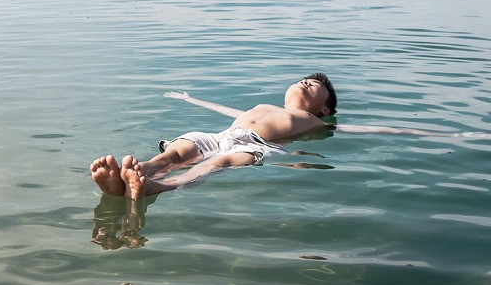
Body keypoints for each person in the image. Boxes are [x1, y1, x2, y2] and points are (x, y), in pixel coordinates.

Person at [90, 73, 339, 199]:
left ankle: (156, 187)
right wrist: (190, 99)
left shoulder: (317, 122)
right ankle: (136, 174)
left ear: (324, 109)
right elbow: (224, 110)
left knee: (217, 162)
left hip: (257, 145)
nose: (305, 82)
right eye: (303, 80)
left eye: (313, 85)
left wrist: (379, 128)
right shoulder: (264, 107)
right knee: (177, 151)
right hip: (222, 136)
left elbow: (361, 129)